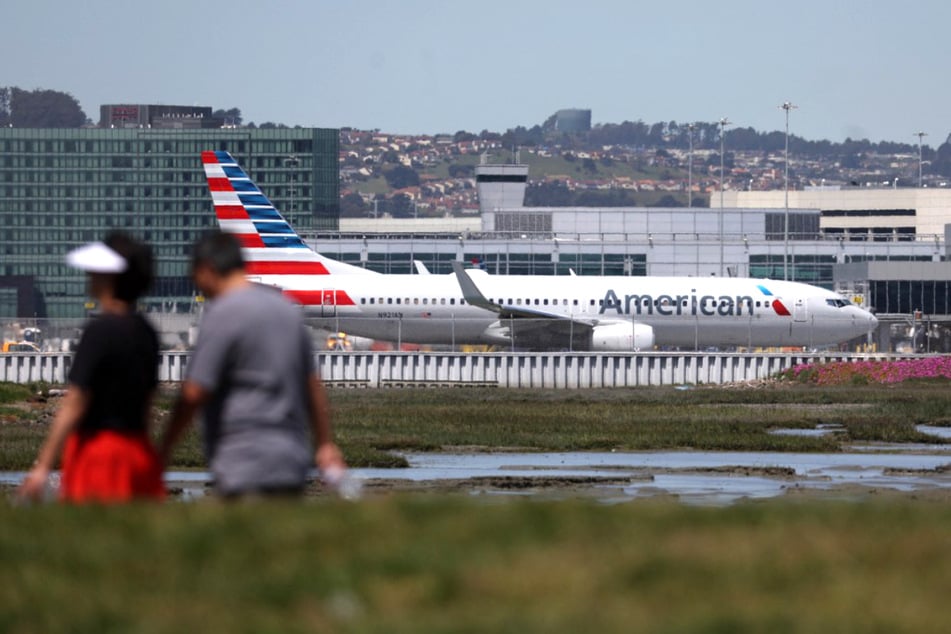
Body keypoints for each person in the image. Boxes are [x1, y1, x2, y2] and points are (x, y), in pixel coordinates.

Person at [159, 231, 346, 498]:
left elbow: (194, 391)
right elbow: (312, 386)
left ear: (207, 270)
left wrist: (165, 448)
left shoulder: (223, 313)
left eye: (195, 277)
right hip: (291, 458)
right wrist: (325, 443)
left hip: (242, 459)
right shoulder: (285, 310)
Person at [19, 232, 165, 503]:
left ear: (110, 277)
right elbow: (147, 400)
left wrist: (43, 466)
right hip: (136, 449)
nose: (89, 275)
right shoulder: (146, 331)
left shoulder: (99, 331)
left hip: (98, 452)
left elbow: (76, 400)